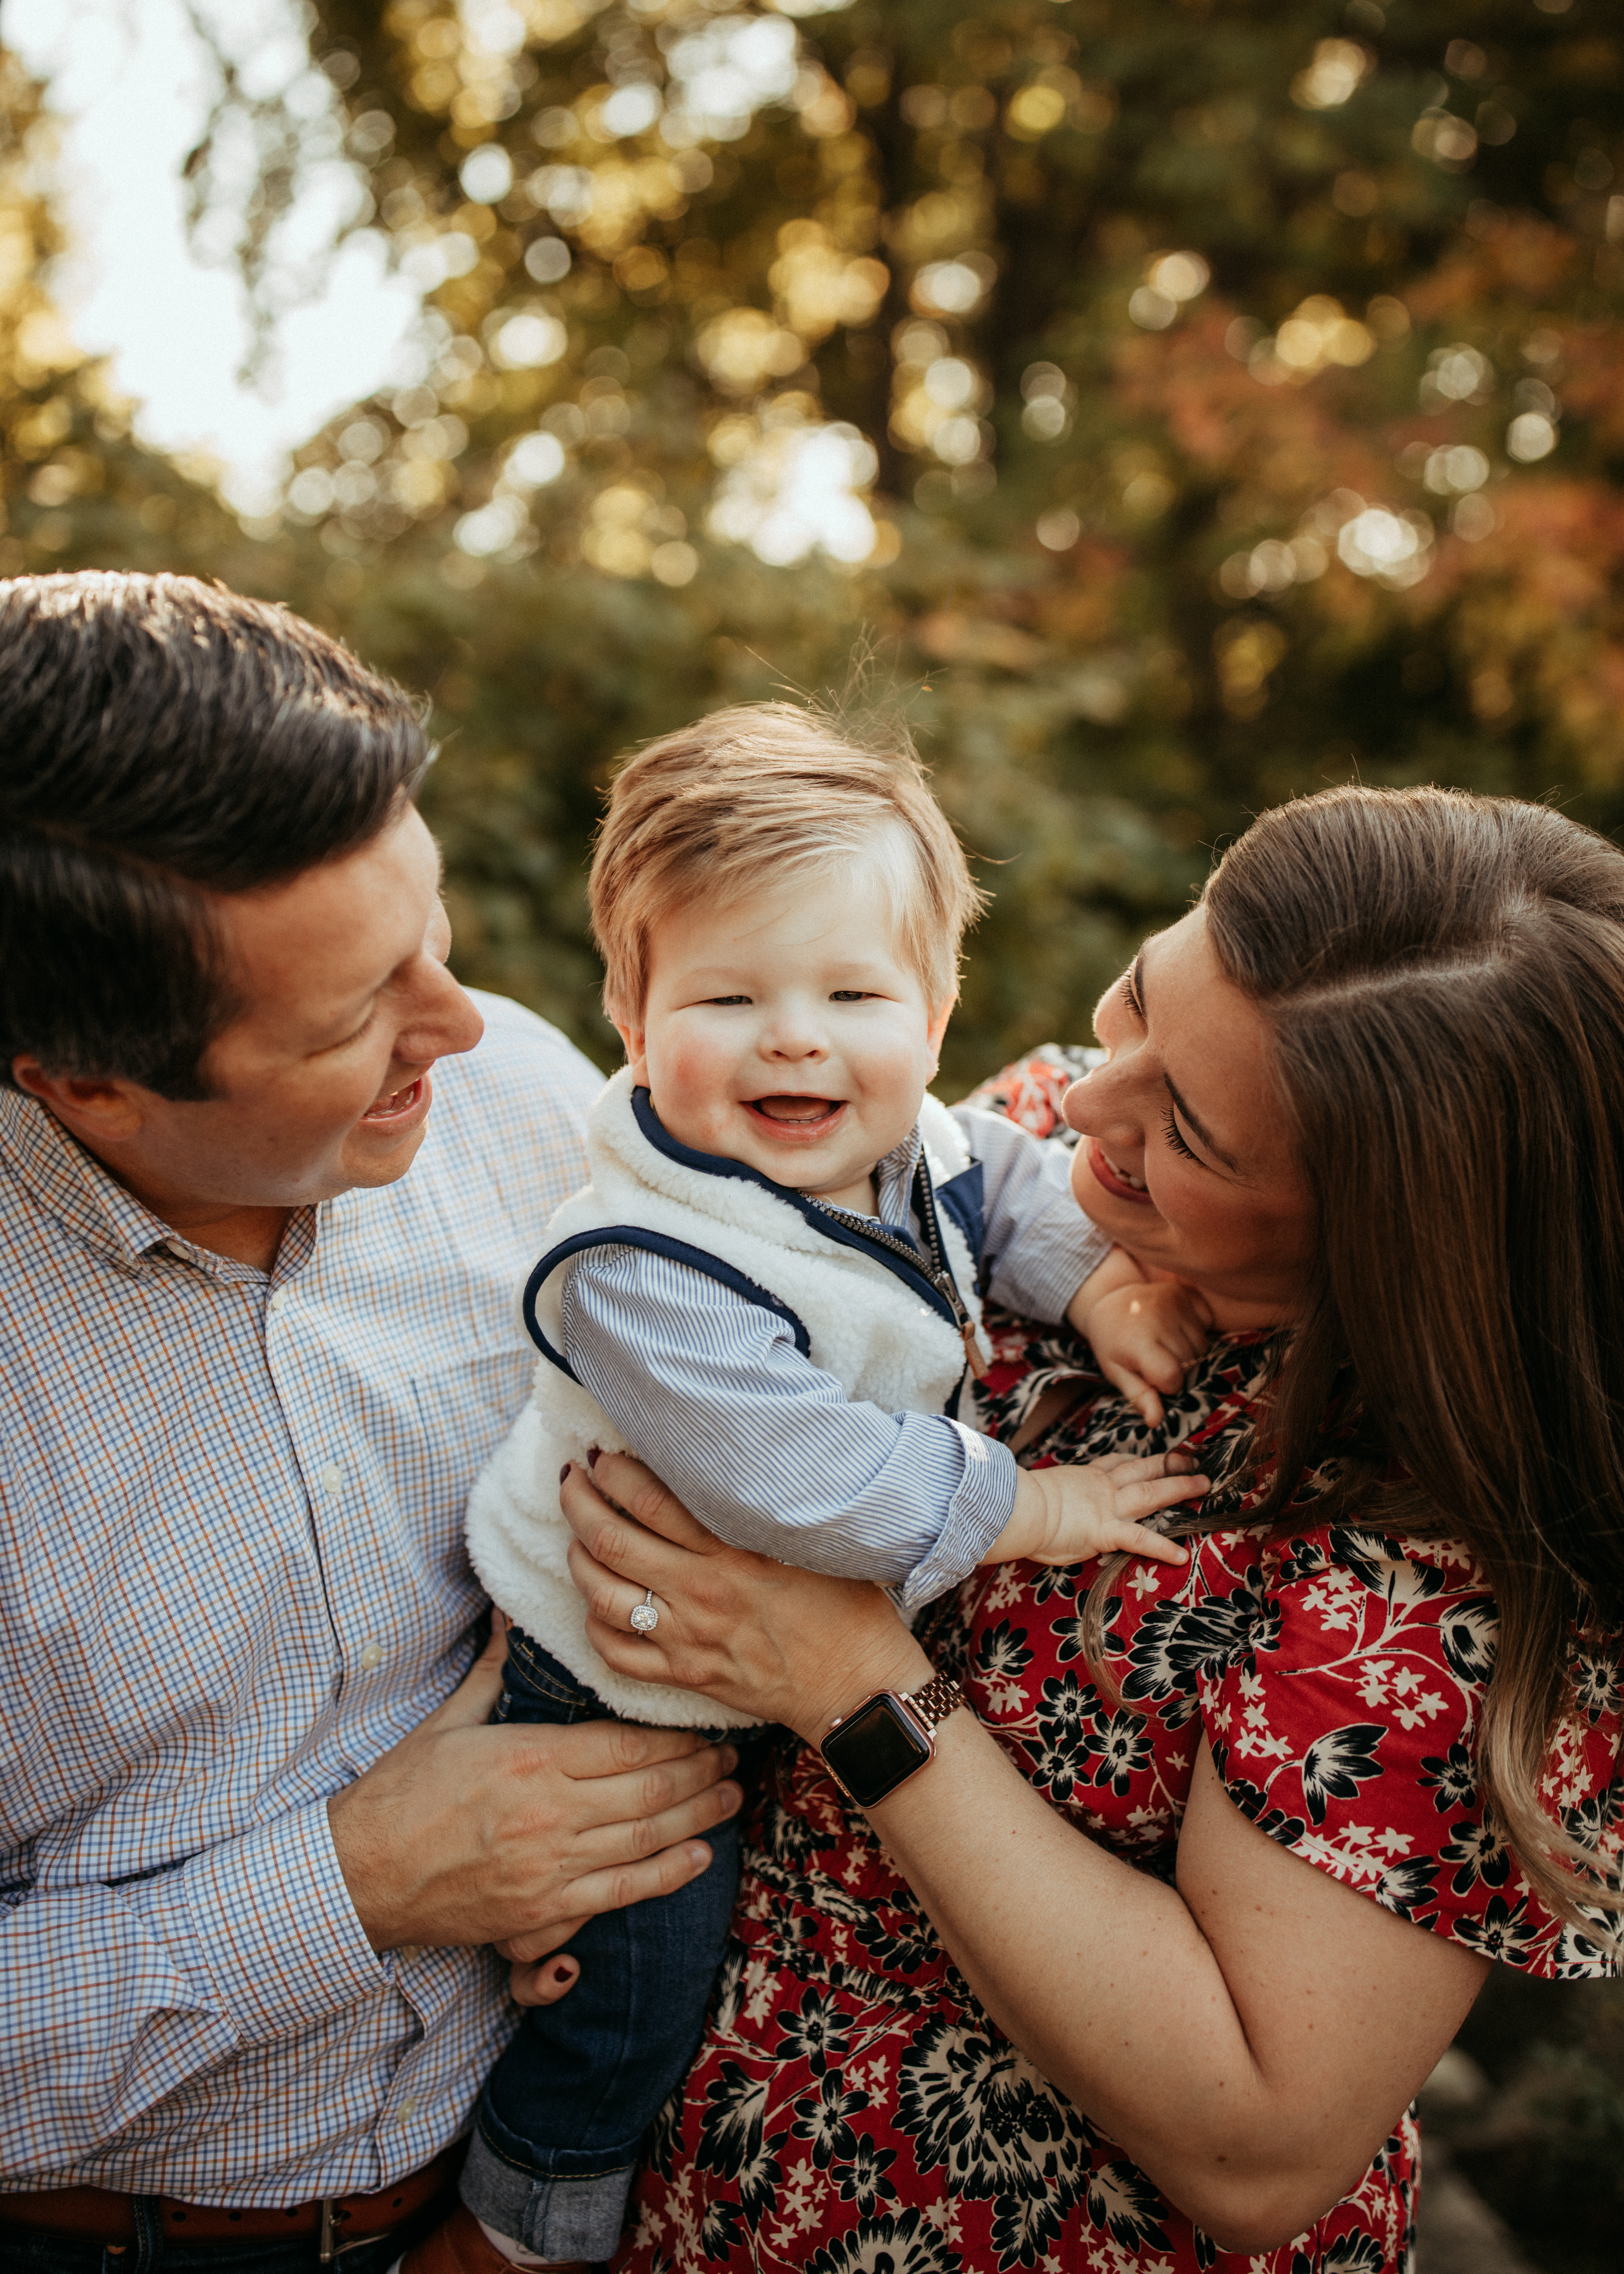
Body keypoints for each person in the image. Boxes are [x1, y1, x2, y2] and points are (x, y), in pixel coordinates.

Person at [553, 783, 1624, 2273]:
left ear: (1390, 1234)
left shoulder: (1437, 1568)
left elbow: (1258, 2138)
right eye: (1133, 1005)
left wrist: (855, 1690)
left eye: (1185, 1127)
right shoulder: (1040, 1137)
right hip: (683, 2186)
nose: (1083, 1105)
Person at [0, 574, 741, 2274]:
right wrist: (354, 1883)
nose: (460, 1023)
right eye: (352, 1016)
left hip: (526, 2185)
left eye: (436, 927)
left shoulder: (519, 1100)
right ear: (82, 1081)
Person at [454, 704, 1212, 2271]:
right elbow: (809, 1493)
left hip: (750, 1656)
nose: (794, 1036)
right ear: (629, 1006)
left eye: (852, 992)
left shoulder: (901, 1139)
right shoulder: (639, 1264)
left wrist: (1092, 1289)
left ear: (935, 1008)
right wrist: (1044, 1507)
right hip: (614, 1675)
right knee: (639, 1985)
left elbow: (998, 1187)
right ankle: (529, 2220)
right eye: (727, 994)